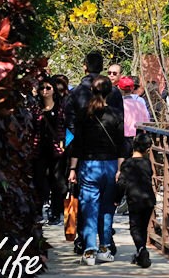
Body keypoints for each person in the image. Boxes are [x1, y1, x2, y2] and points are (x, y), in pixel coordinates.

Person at [67, 76, 124, 265]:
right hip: (109, 165)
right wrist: (120, 169)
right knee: (107, 208)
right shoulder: (116, 115)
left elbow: (77, 144)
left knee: (89, 206)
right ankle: (105, 247)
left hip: (88, 165)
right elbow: (122, 145)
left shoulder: (85, 114)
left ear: (92, 91)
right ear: (110, 92)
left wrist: (73, 168)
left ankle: (89, 249)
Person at [116, 132, 156, 269]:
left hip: (134, 199)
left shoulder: (127, 164)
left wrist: (116, 199)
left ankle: (141, 250)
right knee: (143, 227)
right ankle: (141, 252)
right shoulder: (147, 163)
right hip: (149, 199)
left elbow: (122, 183)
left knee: (135, 227)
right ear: (147, 149)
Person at [30, 76, 66, 225]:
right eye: (42, 88)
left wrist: (65, 143)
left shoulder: (60, 108)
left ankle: (55, 213)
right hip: (39, 149)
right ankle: (38, 211)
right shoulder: (35, 108)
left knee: (57, 182)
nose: (45, 91)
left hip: (57, 151)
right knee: (39, 181)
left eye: (48, 88)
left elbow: (67, 127)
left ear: (53, 90)